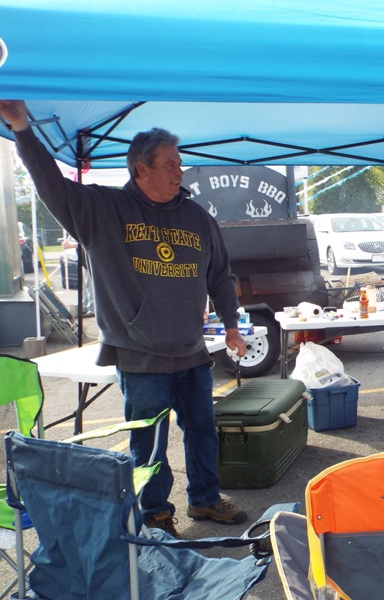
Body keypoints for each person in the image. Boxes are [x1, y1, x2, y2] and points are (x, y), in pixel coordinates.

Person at [0, 99, 248, 536]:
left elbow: (220, 275)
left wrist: (231, 324)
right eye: (170, 165)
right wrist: (22, 130)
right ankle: (155, 513)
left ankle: (205, 499)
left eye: (179, 164)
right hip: (139, 354)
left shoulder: (197, 217)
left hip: (191, 351)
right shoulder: (103, 210)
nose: (179, 172)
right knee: (148, 442)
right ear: (140, 169)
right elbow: (51, 186)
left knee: (202, 430)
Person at [61, 235, 95, 317]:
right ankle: (84, 306)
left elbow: (87, 242)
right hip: (84, 260)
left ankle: (92, 309)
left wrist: (71, 245)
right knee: (85, 285)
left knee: (89, 285)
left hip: (90, 260)